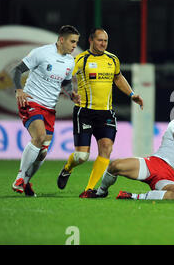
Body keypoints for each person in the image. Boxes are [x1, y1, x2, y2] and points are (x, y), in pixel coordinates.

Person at [56, 28, 144, 198]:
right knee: (81, 156)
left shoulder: (112, 59)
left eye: (105, 41)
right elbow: (65, 78)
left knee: (106, 148)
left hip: (106, 113)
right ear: (91, 40)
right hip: (85, 112)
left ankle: (89, 189)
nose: (103, 44)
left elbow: (118, 78)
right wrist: (70, 92)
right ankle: (67, 168)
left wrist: (132, 95)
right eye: (100, 40)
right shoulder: (81, 60)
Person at [11, 25, 81, 197]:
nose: (74, 46)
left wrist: (71, 93)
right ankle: (20, 178)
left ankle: (26, 183)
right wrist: (19, 89)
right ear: (61, 40)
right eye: (72, 42)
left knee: (43, 151)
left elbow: (65, 82)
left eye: (76, 42)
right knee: (40, 137)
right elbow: (17, 70)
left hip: (50, 108)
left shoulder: (70, 61)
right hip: (31, 101)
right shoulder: (41, 53)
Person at [94, 101, 174, 200]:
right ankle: (101, 192)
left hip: (171, 178)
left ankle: (133, 196)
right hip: (155, 164)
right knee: (115, 166)